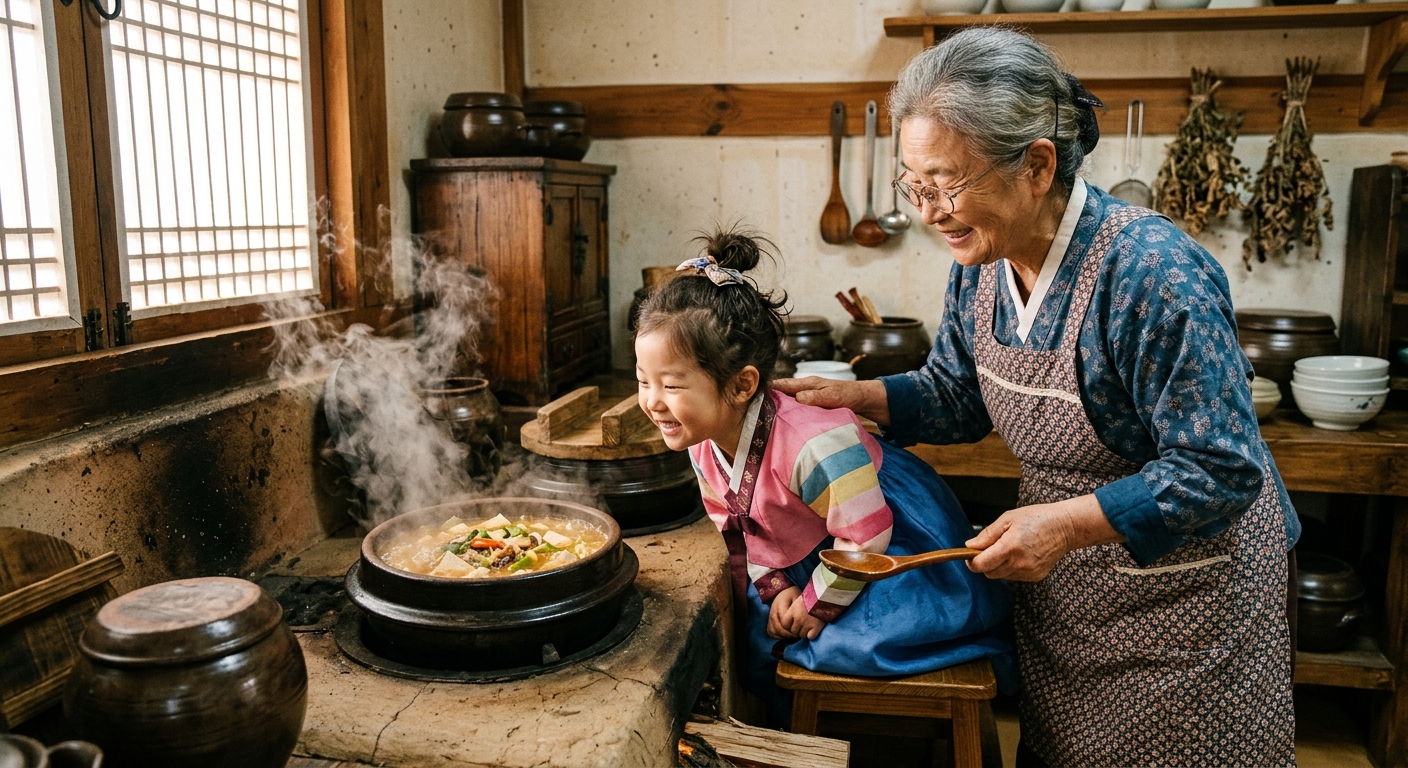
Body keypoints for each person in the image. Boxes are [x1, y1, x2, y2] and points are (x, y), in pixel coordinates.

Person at [775, 28, 1300, 766]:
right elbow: (958, 396)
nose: (930, 211)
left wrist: (1066, 527)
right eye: (915, 186)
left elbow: (1222, 468)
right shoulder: (980, 258)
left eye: (947, 183)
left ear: (1037, 165)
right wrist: (853, 397)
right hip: (1070, 591)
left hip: (1187, 599)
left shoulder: (1152, 271)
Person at [634, 227, 1014, 726]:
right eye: (643, 381)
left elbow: (866, 534)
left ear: (742, 384)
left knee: (853, 643)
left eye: (672, 385)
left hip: (883, 540)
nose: (652, 402)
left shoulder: (813, 442)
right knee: (757, 628)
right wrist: (776, 588)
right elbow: (742, 526)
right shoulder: (701, 436)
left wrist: (813, 604)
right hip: (808, 547)